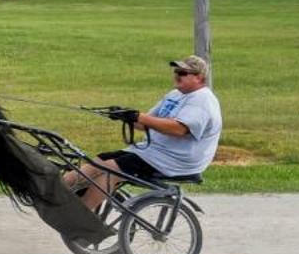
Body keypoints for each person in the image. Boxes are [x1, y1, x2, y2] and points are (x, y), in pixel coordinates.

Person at [69, 55, 222, 208]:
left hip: (176, 160)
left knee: (112, 168)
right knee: (100, 160)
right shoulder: (174, 95)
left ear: (199, 77)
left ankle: (82, 215)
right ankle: (59, 192)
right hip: (155, 153)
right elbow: (146, 123)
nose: (176, 75)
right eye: (176, 71)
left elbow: (179, 129)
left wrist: (139, 117)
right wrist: (125, 116)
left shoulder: (202, 100)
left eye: (182, 73)